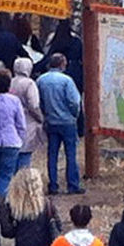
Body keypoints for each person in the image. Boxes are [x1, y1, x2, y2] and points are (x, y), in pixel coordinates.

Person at [37, 53, 83, 195]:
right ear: (62, 64)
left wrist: (45, 114)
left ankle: (53, 185)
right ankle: (72, 185)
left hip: (51, 121)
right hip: (67, 121)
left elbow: (38, 101)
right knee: (71, 154)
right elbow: (74, 101)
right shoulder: (67, 80)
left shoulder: (41, 80)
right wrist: (74, 114)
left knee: (52, 154)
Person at [11, 57, 44, 170]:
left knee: (14, 153)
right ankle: (23, 180)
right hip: (27, 121)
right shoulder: (29, 84)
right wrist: (40, 118)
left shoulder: (10, 81)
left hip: (12, 121)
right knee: (25, 154)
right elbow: (34, 105)